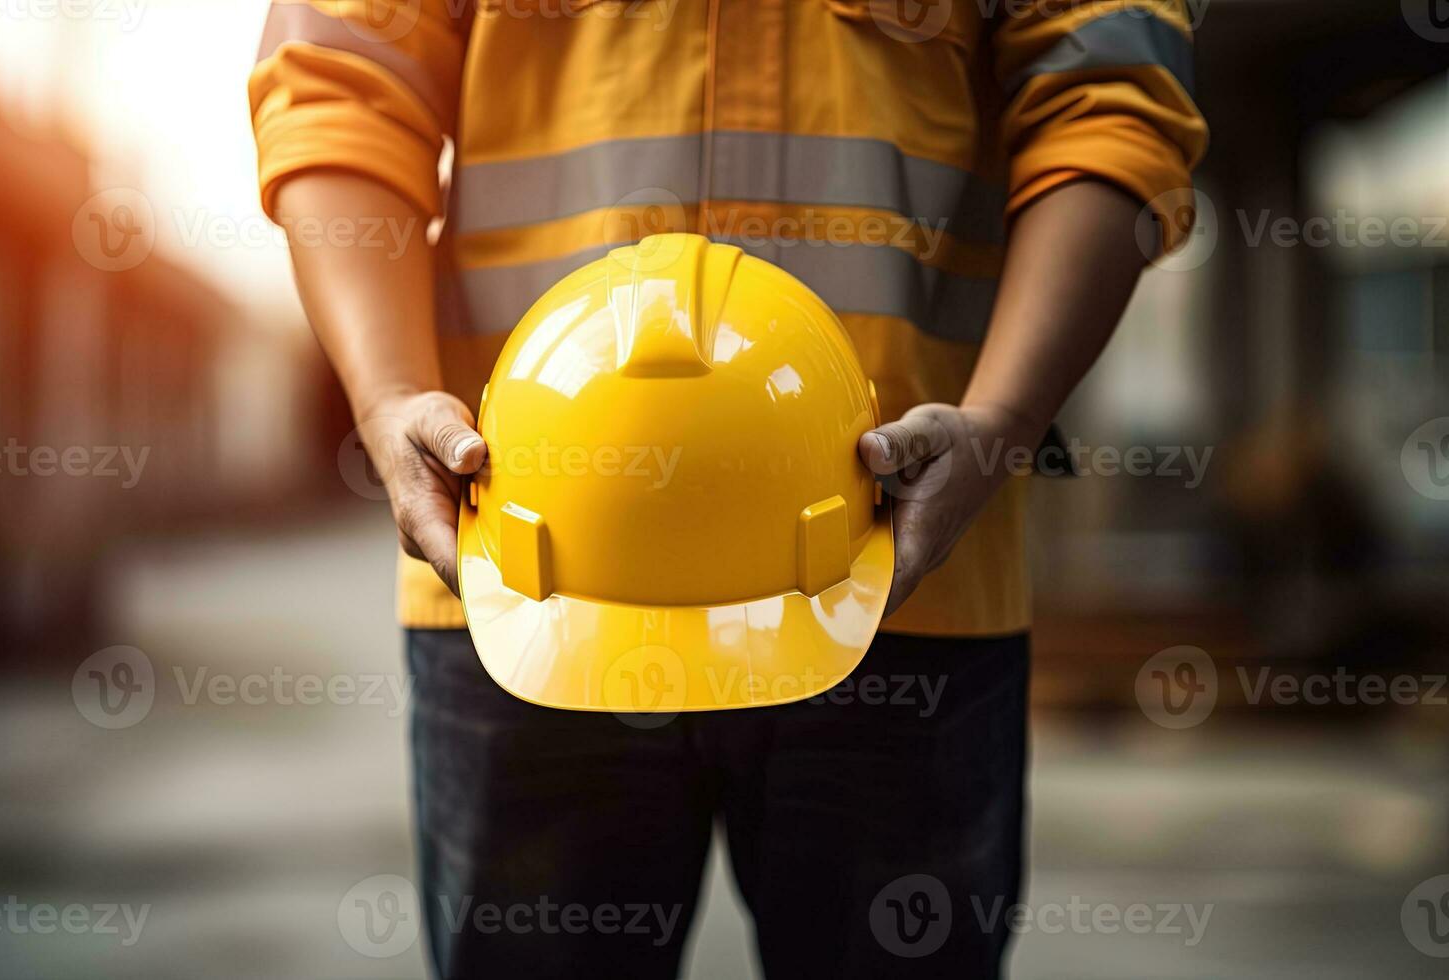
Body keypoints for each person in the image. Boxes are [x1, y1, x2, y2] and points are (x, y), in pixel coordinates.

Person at [250, 2, 1206, 976]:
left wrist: (1004, 421)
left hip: (895, 563)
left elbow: (1111, 101)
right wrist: (388, 397)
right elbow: (339, 81)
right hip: (530, 587)